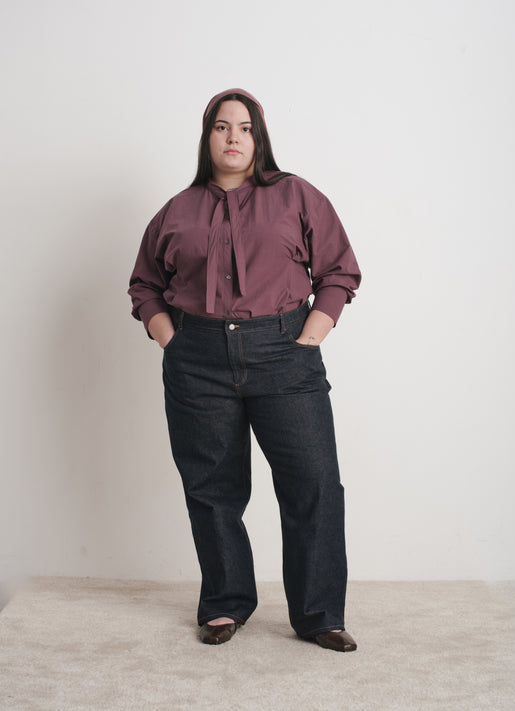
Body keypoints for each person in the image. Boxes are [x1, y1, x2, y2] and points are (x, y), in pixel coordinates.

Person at [128, 89, 361, 652]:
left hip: (283, 352)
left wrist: (308, 339)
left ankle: (319, 615)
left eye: (245, 127)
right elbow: (145, 285)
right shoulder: (175, 211)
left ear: (260, 137)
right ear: (206, 137)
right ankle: (225, 604)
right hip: (198, 359)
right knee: (212, 489)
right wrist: (172, 342)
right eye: (222, 127)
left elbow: (338, 271)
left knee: (313, 483)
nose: (233, 137)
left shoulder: (297, 195)